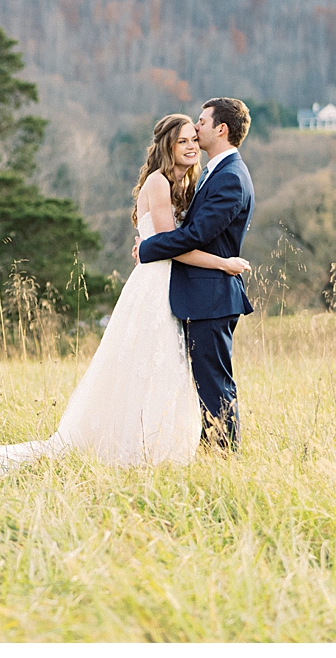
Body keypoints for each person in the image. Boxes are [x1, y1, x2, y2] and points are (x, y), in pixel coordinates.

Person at [0, 112, 251, 472]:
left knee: (169, 370)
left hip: (175, 285)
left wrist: (153, 247)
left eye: (195, 138)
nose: (192, 145)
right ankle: (137, 447)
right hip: (158, 285)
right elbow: (171, 245)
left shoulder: (191, 183)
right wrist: (221, 264)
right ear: (168, 146)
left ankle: (170, 447)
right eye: (183, 141)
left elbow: (174, 239)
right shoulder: (161, 184)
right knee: (147, 367)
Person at [135, 97, 255, 449]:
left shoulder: (230, 177)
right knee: (205, 381)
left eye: (201, 123)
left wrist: (147, 248)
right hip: (201, 295)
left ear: (221, 129)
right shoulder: (212, 172)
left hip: (212, 296)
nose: (196, 128)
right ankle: (208, 451)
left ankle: (223, 456)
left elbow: (196, 235)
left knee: (214, 383)